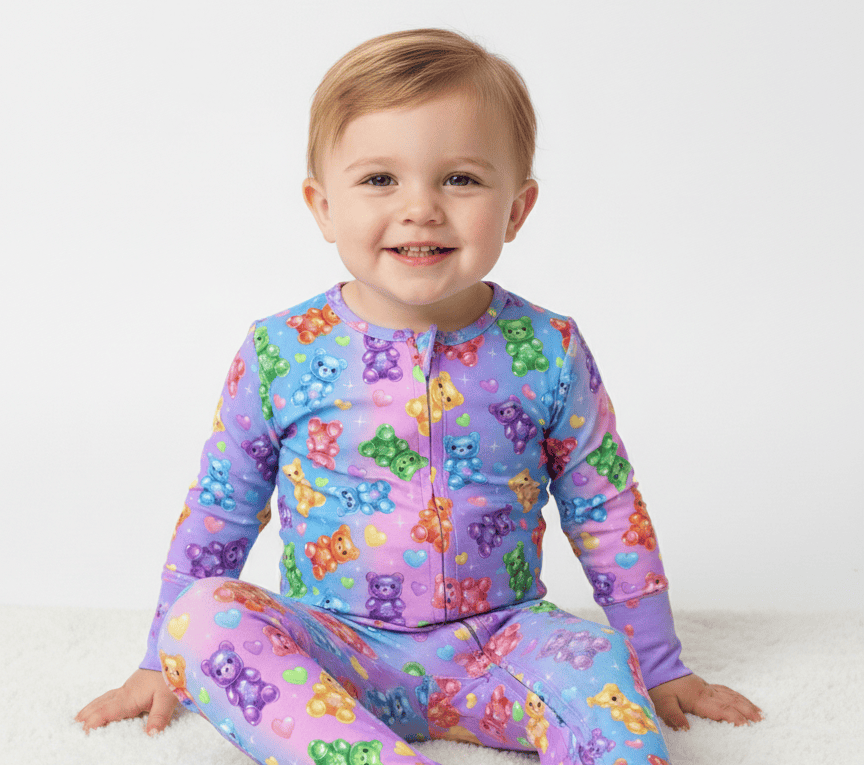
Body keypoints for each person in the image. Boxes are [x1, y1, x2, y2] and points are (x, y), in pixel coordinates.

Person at [76, 28, 762, 765]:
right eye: (380, 179)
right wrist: (158, 660)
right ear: (322, 206)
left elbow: (607, 507)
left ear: (517, 209)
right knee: (199, 620)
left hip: (500, 648)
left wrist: (657, 663)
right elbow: (222, 506)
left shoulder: (549, 348)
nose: (421, 208)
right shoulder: (281, 350)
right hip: (334, 654)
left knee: (598, 660)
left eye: (460, 179)